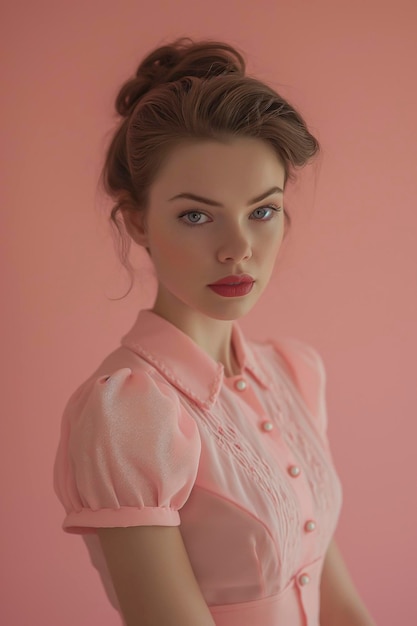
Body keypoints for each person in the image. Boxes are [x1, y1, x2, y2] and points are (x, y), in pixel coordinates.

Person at [53, 38, 375, 626]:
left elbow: (340, 603)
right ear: (137, 221)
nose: (238, 250)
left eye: (262, 211)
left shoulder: (294, 375)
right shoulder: (128, 413)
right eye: (196, 216)